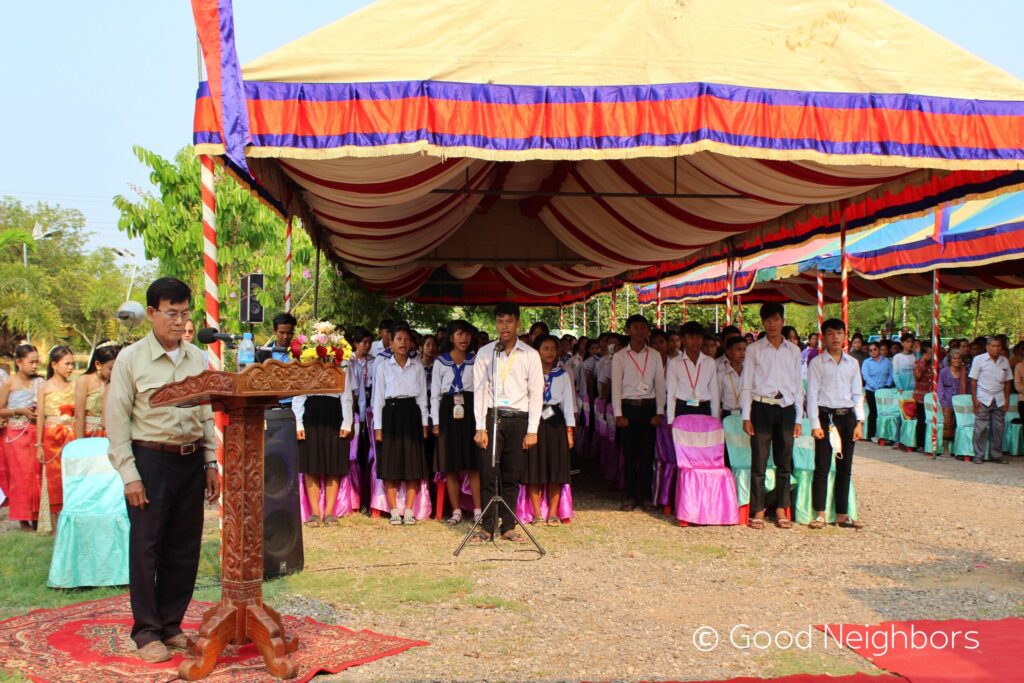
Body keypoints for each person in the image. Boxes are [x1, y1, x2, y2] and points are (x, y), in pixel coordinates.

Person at [105, 277, 221, 663]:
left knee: (184, 547)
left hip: (190, 462)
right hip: (149, 461)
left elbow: (205, 413)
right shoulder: (131, 358)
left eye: (185, 313)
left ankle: (171, 625)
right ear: (152, 313)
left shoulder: (197, 358)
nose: (179, 321)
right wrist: (130, 475)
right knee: (147, 547)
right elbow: (117, 421)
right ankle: (146, 631)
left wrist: (210, 462)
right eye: (171, 313)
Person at [472, 303, 544, 543]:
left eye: (509, 321)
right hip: (493, 417)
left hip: (518, 419)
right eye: (500, 321)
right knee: (488, 473)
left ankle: (509, 526)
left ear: (518, 323)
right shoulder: (486, 353)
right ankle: (487, 526)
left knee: (512, 474)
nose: (504, 326)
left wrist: (532, 430)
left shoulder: (530, 355)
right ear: (495, 324)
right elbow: (480, 392)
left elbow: (536, 393)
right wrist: (479, 427)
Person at [740, 303, 803, 530]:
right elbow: (746, 383)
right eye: (767, 320)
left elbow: (798, 386)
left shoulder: (794, 351)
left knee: (784, 461)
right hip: (761, 407)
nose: (772, 324)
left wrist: (798, 418)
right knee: (759, 460)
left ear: (782, 321)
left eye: (776, 319)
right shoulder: (754, 349)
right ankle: (757, 509)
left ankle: (780, 507)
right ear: (762, 323)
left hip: (786, 408)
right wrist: (746, 416)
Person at [806, 319, 864, 530]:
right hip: (825, 416)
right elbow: (811, 395)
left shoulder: (852, 363)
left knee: (845, 468)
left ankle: (842, 514)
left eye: (839, 333)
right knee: (821, 466)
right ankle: (820, 513)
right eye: (830, 333)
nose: (836, 337)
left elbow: (858, 393)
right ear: (823, 337)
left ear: (844, 336)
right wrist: (814, 423)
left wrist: (860, 421)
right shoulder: (817, 363)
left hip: (847, 417)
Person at [292, 335, 353, 528]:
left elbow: (347, 395)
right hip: (312, 413)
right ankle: (314, 513)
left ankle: (329, 512)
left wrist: (347, 423)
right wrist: (298, 424)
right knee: (312, 464)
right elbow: (299, 396)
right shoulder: (306, 367)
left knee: (333, 464)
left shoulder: (341, 366)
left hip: (334, 413)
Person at [373, 326, 430, 525]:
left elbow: (423, 398)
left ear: (412, 343)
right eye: (399, 339)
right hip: (390, 414)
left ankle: (408, 510)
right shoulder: (382, 367)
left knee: (412, 464)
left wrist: (424, 424)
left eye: (406, 339)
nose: (403, 343)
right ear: (391, 343)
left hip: (412, 414)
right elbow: (378, 398)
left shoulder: (417, 367)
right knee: (390, 463)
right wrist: (378, 428)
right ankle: (394, 510)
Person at [611, 315, 665, 511]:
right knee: (630, 453)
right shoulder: (620, 357)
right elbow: (616, 387)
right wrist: (618, 414)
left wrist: (659, 411)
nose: (640, 331)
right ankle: (630, 495)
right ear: (627, 330)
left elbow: (659, 384)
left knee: (647, 454)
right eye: (635, 327)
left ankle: (645, 494)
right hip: (628, 407)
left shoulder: (655, 355)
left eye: (643, 327)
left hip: (649, 407)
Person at [431, 320, 482, 526]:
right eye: (459, 334)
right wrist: (435, 422)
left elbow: (481, 391)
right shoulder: (440, 362)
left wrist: (481, 422)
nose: (464, 338)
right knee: (450, 464)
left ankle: (478, 510)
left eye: (467, 334)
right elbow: (434, 394)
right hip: (447, 411)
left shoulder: (476, 360)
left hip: (470, 411)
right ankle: (456, 510)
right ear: (451, 337)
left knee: (473, 463)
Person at [526, 334, 575, 524]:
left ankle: (553, 513)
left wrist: (569, 431)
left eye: (553, 349)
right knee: (534, 467)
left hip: (555, 422)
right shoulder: (529, 374)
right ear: (537, 352)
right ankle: (537, 514)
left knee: (556, 468)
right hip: (533, 422)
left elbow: (568, 405)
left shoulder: (562, 375)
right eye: (545, 348)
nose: (550, 352)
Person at [0, 345, 42, 531]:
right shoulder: (9, 383)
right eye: (31, 362)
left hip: (36, 433)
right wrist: (18, 411)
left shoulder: (41, 382)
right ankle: (23, 518)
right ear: (19, 362)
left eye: (37, 362)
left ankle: (39, 516)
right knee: (20, 478)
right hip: (15, 436)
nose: (35, 366)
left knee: (37, 475)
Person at [36, 345, 76, 534]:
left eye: (73, 364)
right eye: (67, 364)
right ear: (54, 364)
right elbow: (40, 417)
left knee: (71, 477)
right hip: (51, 437)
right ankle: (53, 525)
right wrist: (39, 444)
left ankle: (72, 520)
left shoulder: (74, 386)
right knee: (52, 479)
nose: (71, 368)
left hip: (71, 436)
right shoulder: (44, 387)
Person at [969, 336, 1012, 464]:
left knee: (998, 429)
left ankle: (996, 455)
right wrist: (974, 400)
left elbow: (1008, 382)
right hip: (983, 397)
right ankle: (978, 455)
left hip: (999, 398)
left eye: (998, 346)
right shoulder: (979, 359)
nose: (996, 349)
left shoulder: (1004, 361)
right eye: (993, 346)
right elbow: (973, 381)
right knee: (980, 428)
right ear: (987, 347)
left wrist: (1007, 400)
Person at [667, 321, 720, 421]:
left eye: (699, 337)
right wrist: (670, 420)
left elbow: (714, 392)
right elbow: (671, 394)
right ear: (683, 340)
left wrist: (715, 418)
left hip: (704, 408)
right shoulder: (675, 363)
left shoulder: (709, 362)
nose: (695, 341)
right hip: (683, 408)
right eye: (691, 337)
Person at [346, 327, 375, 505]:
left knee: (367, 449)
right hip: (356, 407)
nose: (367, 346)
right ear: (356, 343)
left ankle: (365, 490)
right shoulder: (349, 361)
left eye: (369, 342)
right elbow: (355, 393)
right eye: (364, 342)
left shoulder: (374, 361)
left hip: (371, 402)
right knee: (355, 451)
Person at [74, 341, 120, 439]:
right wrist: (79, 444)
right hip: (89, 436)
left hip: (112, 436)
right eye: (111, 368)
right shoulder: (84, 380)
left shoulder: (118, 381)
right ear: (98, 364)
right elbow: (79, 416)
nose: (115, 372)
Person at [861, 342, 893, 442]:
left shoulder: (886, 361)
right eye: (870, 350)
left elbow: (891, 373)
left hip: (885, 391)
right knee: (873, 412)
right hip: (871, 390)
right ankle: (871, 434)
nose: (873, 352)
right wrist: (876, 387)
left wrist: (887, 385)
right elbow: (866, 376)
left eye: (875, 349)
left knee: (884, 412)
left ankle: (884, 434)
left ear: (879, 349)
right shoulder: (867, 362)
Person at [937, 349, 968, 451]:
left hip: (960, 401)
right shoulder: (944, 371)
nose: (957, 360)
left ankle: (956, 448)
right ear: (950, 360)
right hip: (947, 400)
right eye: (954, 358)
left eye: (959, 358)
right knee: (948, 423)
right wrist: (943, 402)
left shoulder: (964, 372)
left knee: (958, 423)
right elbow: (940, 388)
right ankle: (945, 448)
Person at [911, 342, 934, 452]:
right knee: (921, 420)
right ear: (924, 354)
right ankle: (920, 444)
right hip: (921, 396)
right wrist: (923, 362)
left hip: (931, 396)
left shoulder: (934, 364)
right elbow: (917, 376)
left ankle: (929, 443)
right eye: (929, 353)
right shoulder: (917, 363)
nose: (931, 356)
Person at [719, 336, 746, 416]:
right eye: (738, 349)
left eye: (745, 349)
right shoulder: (722, 374)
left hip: (746, 415)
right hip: (728, 414)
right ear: (729, 352)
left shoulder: (750, 372)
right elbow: (717, 399)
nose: (742, 353)